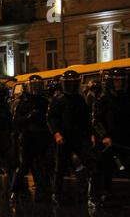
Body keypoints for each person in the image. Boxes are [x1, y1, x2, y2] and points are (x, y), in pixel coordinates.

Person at [47, 70, 99, 207]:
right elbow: (51, 119)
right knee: (60, 167)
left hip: (80, 137)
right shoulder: (58, 100)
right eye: (68, 84)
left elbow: (86, 119)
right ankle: (56, 194)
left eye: (73, 83)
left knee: (91, 164)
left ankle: (90, 194)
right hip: (64, 138)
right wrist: (56, 134)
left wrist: (91, 134)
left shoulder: (80, 99)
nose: (71, 86)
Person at [9, 75, 51, 204]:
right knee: (24, 165)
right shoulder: (23, 103)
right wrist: (28, 117)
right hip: (28, 137)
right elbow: (16, 121)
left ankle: (46, 190)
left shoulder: (45, 102)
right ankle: (14, 190)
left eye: (38, 86)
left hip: (42, 136)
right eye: (34, 86)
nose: (36, 89)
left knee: (44, 164)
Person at [93, 67, 130, 204]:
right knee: (106, 168)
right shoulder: (103, 99)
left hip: (124, 138)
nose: (119, 84)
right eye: (116, 81)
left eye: (121, 81)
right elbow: (96, 121)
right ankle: (104, 193)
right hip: (108, 140)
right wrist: (104, 136)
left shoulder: (126, 97)